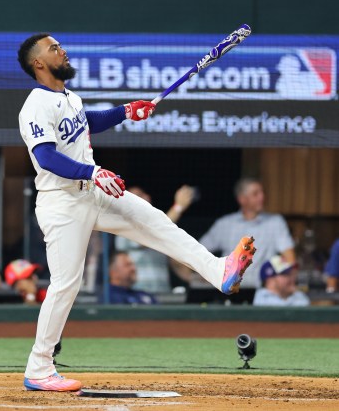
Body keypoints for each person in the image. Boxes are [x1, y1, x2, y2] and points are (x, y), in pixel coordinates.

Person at [16, 33, 256, 392]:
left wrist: (126, 111)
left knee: (155, 220)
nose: (62, 51)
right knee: (67, 283)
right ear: (38, 63)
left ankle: (219, 270)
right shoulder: (35, 104)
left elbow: (88, 121)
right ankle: (38, 368)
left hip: (91, 192)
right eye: (53, 48)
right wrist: (93, 171)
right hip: (62, 202)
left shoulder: (69, 97)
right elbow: (46, 157)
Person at [199, 178, 295, 289]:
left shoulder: (275, 222)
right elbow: (199, 252)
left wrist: (276, 279)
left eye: (262, 192)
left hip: (263, 292)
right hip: (227, 291)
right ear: (242, 199)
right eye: (256, 194)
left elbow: (290, 258)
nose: (262, 197)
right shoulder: (225, 224)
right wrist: (209, 275)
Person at [114, 185, 196, 293]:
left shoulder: (159, 232)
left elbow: (176, 265)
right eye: (138, 196)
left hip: (163, 296)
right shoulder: (124, 227)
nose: (146, 198)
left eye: (144, 195)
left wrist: (201, 281)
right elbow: (153, 233)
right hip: (139, 296)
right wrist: (178, 207)